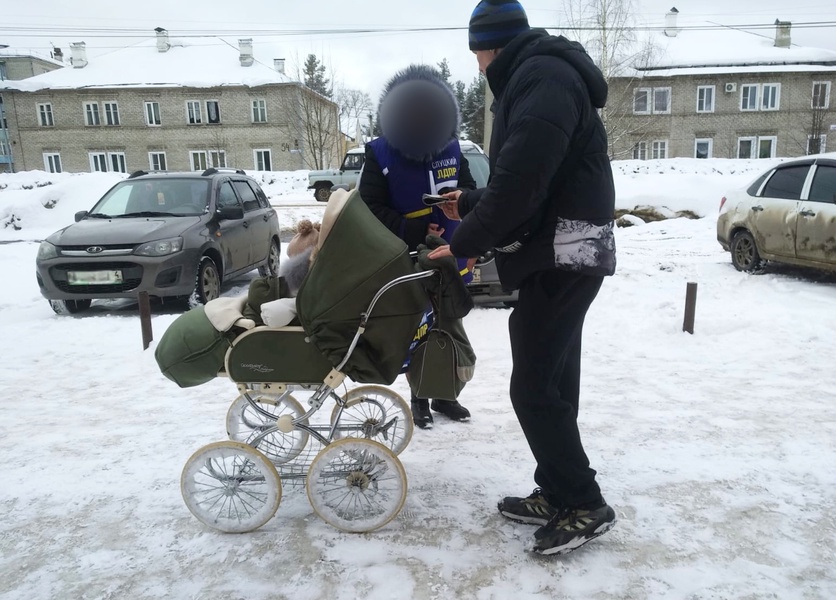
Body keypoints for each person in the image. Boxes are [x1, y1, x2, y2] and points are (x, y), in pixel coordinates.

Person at [428, 0, 617, 556]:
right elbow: (533, 182)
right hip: (560, 248)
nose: (478, 66)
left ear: (491, 46)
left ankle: (584, 502)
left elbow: (522, 189)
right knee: (553, 380)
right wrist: (471, 200)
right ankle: (557, 489)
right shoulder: (539, 77)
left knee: (533, 385)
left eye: (477, 53)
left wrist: (460, 246)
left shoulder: (543, 78)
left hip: (565, 250)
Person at [359, 64, 477, 429]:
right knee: (417, 329)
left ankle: (445, 394)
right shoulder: (380, 154)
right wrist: (411, 228)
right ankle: (419, 397)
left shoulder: (454, 149)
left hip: (450, 252)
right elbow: (368, 208)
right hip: (405, 257)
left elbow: (472, 192)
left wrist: (466, 214)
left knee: (449, 324)